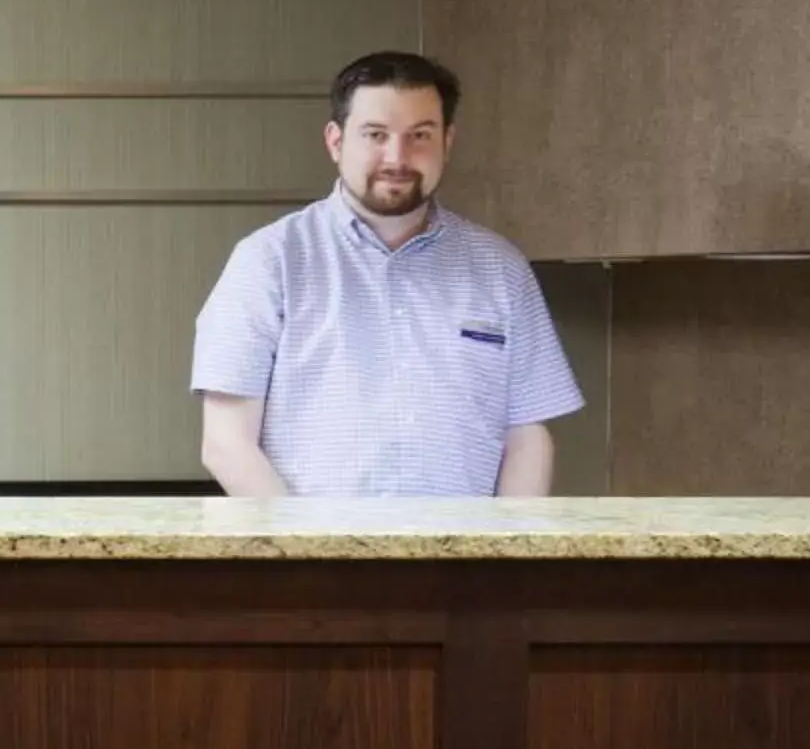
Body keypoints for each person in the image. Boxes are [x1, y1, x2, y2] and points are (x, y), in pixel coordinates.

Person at [192, 51, 582, 496]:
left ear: (447, 142)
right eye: (376, 134)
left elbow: (527, 439)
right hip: (313, 558)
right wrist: (309, 556)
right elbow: (226, 444)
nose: (397, 157)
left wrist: (508, 560)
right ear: (335, 141)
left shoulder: (501, 268)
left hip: (461, 560)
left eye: (420, 135)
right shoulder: (269, 260)